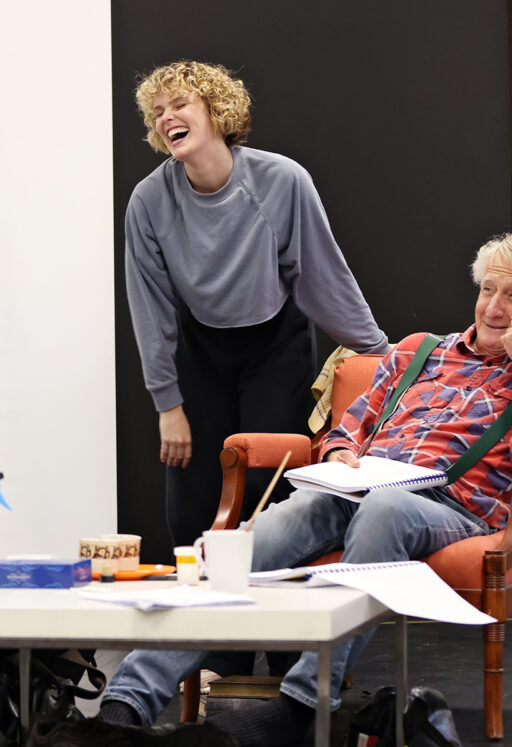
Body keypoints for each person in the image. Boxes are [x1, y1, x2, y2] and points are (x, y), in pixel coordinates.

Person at [93, 233, 512, 747]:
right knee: (250, 543)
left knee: (385, 510)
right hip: (356, 489)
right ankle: (125, 704)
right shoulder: (419, 353)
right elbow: (348, 427)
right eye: (488, 290)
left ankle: (302, 704)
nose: (493, 308)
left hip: (451, 507)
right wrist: (339, 453)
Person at [123, 61, 389, 550]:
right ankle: (200, 596)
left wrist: (381, 354)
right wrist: (168, 406)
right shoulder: (149, 200)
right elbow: (150, 310)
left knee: (269, 495)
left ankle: (270, 594)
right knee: (191, 507)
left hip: (275, 346)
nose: (166, 118)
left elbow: (323, 277)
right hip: (199, 350)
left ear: (216, 111)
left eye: (179, 104)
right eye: (158, 111)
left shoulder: (282, 180)